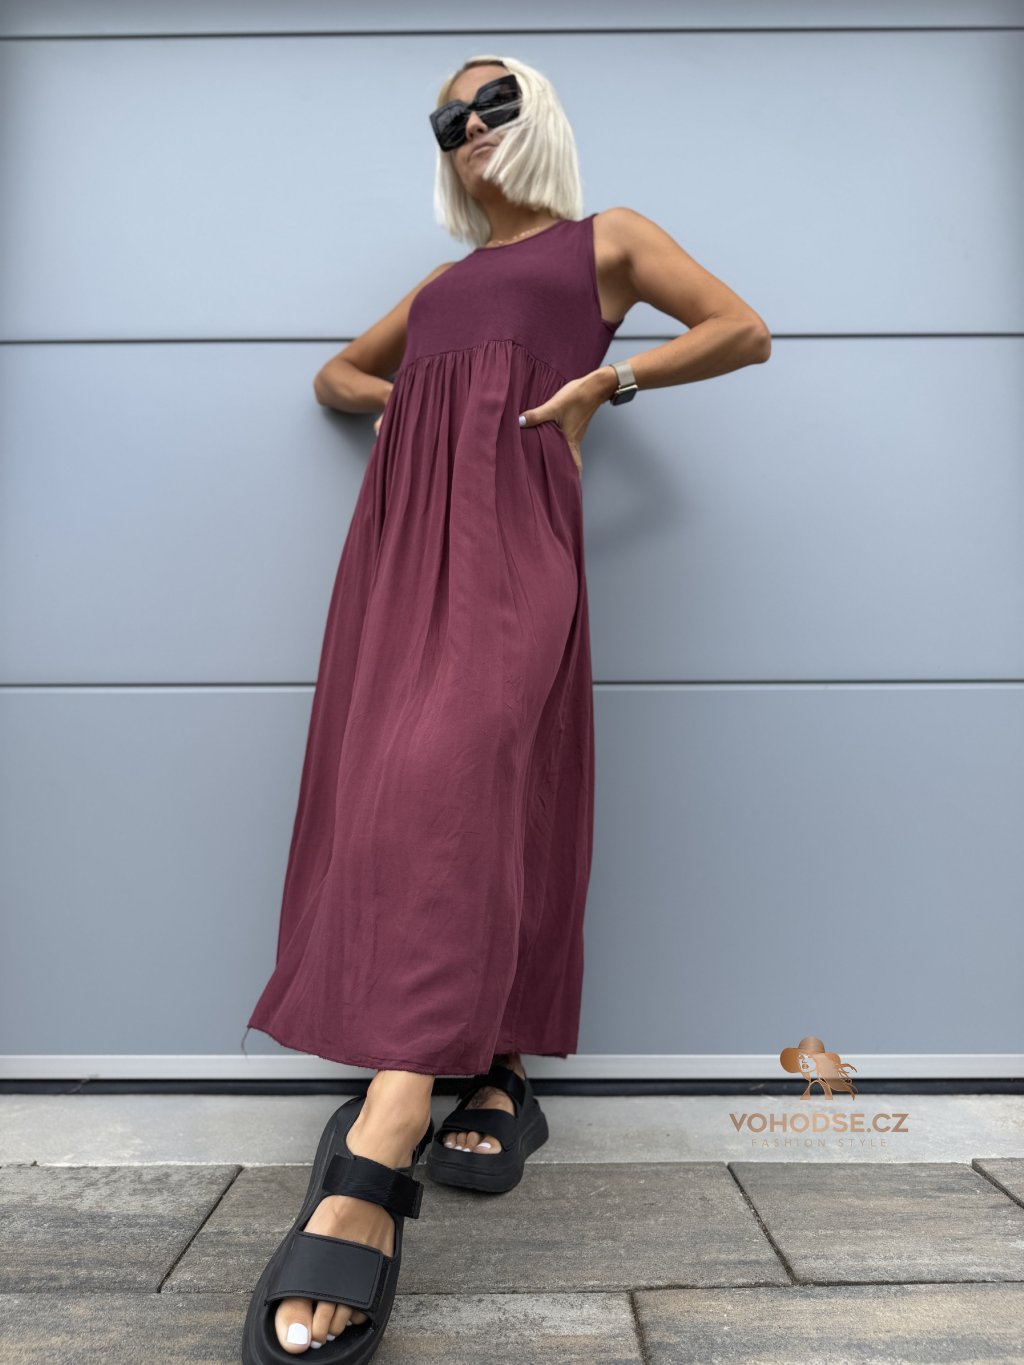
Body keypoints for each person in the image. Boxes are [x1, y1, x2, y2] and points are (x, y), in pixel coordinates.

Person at [242, 54, 771, 1359]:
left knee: (459, 779)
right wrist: (417, 407)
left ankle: (383, 1135)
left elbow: (740, 329)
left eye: (496, 101)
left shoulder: (607, 241)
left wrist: (609, 385)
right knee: (431, 791)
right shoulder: (441, 289)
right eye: (449, 115)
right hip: (402, 556)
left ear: (539, 119)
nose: (471, 124)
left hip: (514, 552)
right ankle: (497, 1069)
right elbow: (335, 378)